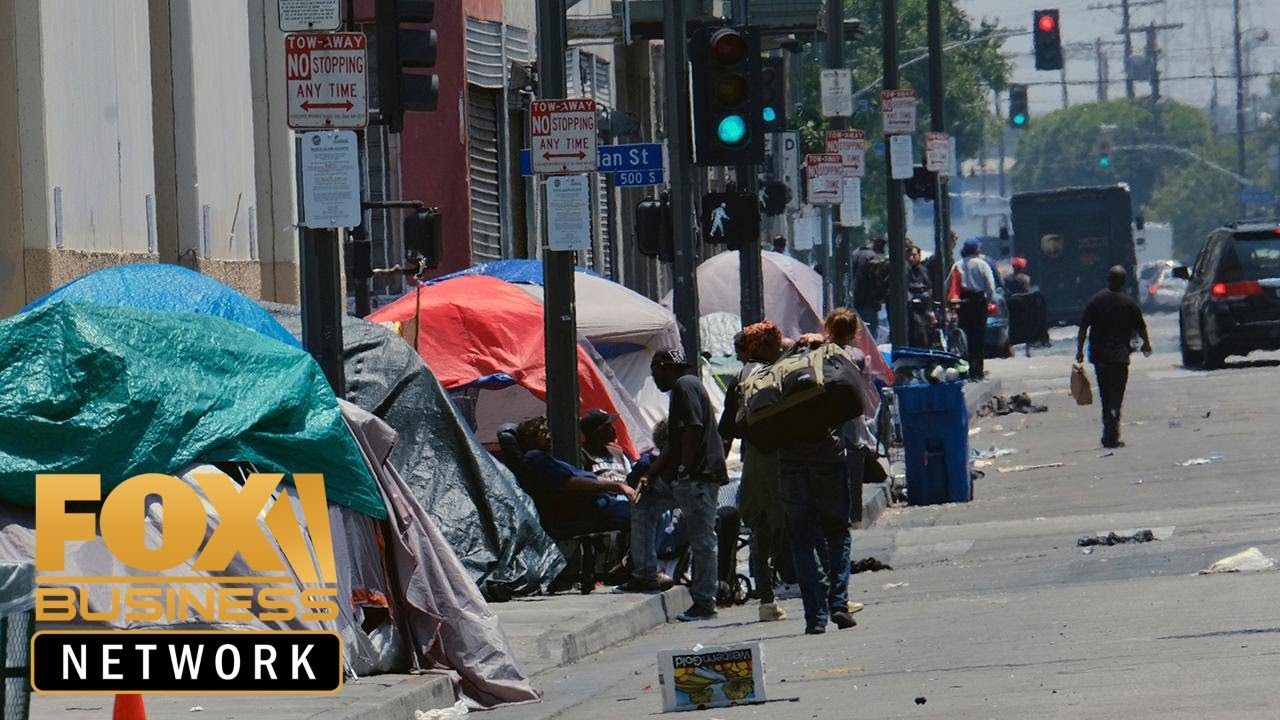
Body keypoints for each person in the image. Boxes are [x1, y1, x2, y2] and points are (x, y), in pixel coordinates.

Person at [773, 329, 861, 636]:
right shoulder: (827, 367)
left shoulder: (779, 373)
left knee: (802, 541)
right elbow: (856, 387)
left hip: (790, 465)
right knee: (837, 533)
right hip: (828, 460)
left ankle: (815, 617)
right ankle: (839, 602)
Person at [631, 349, 728, 621]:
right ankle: (645, 573)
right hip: (687, 477)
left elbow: (692, 430)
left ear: (664, 367)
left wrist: (685, 469)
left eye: (654, 372)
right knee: (644, 504)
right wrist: (651, 473)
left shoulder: (684, 386)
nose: (654, 378)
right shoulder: (686, 386)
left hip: (696, 477)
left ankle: (704, 602)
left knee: (703, 540)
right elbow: (673, 442)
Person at [719, 321, 790, 623]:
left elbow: (727, 428)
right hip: (775, 460)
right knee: (781, 524)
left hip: (757, 461)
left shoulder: (741, 377)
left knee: (761, 527)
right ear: (761, 346)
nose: (779, 348)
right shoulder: (771, 373)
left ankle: (767, 596)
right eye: (775, 343)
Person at [515, 417, 635, 537]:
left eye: (548, 433)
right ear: (529, 438)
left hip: (607, 500)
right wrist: (617, 487)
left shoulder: (552, 460)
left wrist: (622, 486)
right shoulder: (535, 458)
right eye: (543, 434)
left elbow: (591, 477)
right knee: (642, 514)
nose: (548, 437)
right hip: (588, 509)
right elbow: (569, 483)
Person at [1076, 266, 1152, 449]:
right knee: (1116, 397)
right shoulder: (1129, 303)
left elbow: (1083, 327)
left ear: (1108, 279)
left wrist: (1079, 351)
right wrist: (1147, 344)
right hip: (1119, 358)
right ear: (1123, 281)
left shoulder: (1096, 301)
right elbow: (1141, 327)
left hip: (1100, 357)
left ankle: (1108, 433)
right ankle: (1112, 434)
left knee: (1105, 395)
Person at [948, 238, 997, 380]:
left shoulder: (957, 265)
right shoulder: (982, 265)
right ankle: (978, 370)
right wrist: (987, 301)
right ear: (977, 249)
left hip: (963, 303)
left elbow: (948, 284)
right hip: (978, 302)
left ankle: (967, 369)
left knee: (965, 337)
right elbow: (990, 287)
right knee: (978, 338)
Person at [580, 409, 633, 484]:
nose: (613, 429)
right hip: (603, 494)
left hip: (625, 493)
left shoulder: (617, 452)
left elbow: (630, 478)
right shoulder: (582, 453)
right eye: (608, 425)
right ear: (596, 432)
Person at [851, 237, 887, 338]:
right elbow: (876, 281)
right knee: (870, 334)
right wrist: (879, 298)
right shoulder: (873, 257)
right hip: (869, 301)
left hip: (856, 300)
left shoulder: (855, 254)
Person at [906, 243, 933, 348]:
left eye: (914, 255)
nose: (911, 258)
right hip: (911, 308)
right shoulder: (906, 270)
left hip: (924, 308)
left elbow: (928, 286)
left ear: (919, 256)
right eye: (909, 255)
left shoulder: (923, 270)